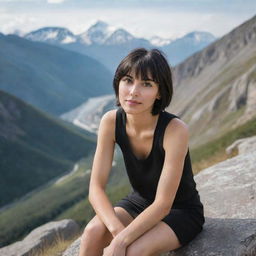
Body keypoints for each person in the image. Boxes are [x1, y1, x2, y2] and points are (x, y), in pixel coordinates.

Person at [79, 48, 205, 256]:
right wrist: (117, 232)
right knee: (92, 232)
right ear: (118, 82)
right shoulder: (111, 121)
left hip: (180, 211)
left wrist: (122, 242)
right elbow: (96, 187)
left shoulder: (174, 129)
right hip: (139, 202)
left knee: (133, 251)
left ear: (160, 92)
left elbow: (164, 204)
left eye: (146, 84)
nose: (133, 91)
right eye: (128, 80)